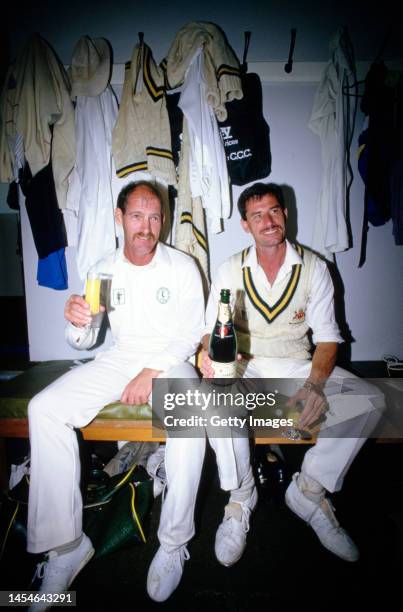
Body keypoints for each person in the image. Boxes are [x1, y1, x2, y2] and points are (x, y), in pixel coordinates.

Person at [26, 181, 205, 610]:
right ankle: (65, 547)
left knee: (188, 411)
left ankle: (173, 542)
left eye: (155, 216)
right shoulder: (102, 269)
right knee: (44, 409)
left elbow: (190, 332)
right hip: (120, 358)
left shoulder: (183, 267)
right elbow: (86, 341)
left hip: (170, 361)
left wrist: (152, 371)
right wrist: (75, 323)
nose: (147, 226)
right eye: (138, 216)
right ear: (119, 217)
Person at [201, 182, 384, 564]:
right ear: (245, 224)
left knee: (370, 400)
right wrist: (209, 355)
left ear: (284, 214)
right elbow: (210, 332)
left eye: (273, 211)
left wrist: (316, 385)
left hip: (297, 365)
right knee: (214, 399)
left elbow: (329, 339)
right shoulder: (230, 268)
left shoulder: (315, 268)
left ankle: (309, 490)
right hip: (246, 363)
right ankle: (240, 497)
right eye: (257, 215)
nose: (267, 221)